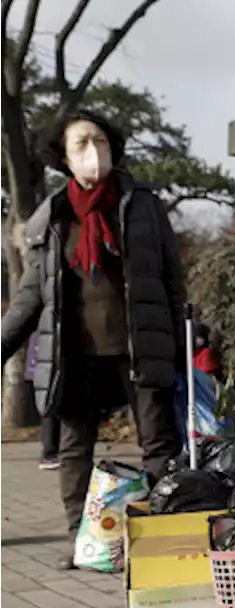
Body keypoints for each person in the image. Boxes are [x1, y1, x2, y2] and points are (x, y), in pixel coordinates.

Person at [0, 110, 183, 566]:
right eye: (80, 143)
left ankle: (159, 537)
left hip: (138, 345)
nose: (92, 151)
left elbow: (170, 275)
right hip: (75, 353)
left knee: (158, 444)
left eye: (98, 139)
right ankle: (82, 541)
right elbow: (30, 296)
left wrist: (185, 333)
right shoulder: (53, 216)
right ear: (63, 157)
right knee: (74, 447)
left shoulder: (142, 203)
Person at [28, 341, 59, 470]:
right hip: (48, 357)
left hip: (47, 356)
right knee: (50, 402)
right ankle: (49, 453)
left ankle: (52, 452)